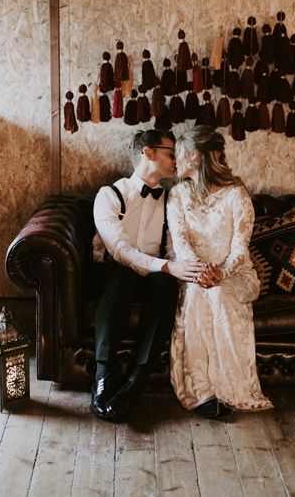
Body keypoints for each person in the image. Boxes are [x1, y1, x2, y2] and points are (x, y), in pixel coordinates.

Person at [90, 129, 205, 422]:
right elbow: (119, 250)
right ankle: (102, 378)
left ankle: (136, 381)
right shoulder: (109, 195)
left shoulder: (170, 200)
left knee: (167, 284)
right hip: (113, 274)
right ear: (148, 153)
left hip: (153, 275)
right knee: (123, 274)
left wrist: (183, 266)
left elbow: (172, 248)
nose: (176, 161)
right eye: (170, 153)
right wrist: (166, 266)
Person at [168, 125, 273, 419]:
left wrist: (221, 274)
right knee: (200, 292)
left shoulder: (236, 195)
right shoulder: (177, 195)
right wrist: (199, 272)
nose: (174, 161)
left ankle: (230, 389)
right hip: (194, 273)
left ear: (194, 157)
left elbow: (241, 249)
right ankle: (202, 391)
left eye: (178, 154)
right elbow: (180, 243)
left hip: (236, 275)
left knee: (217, 294)